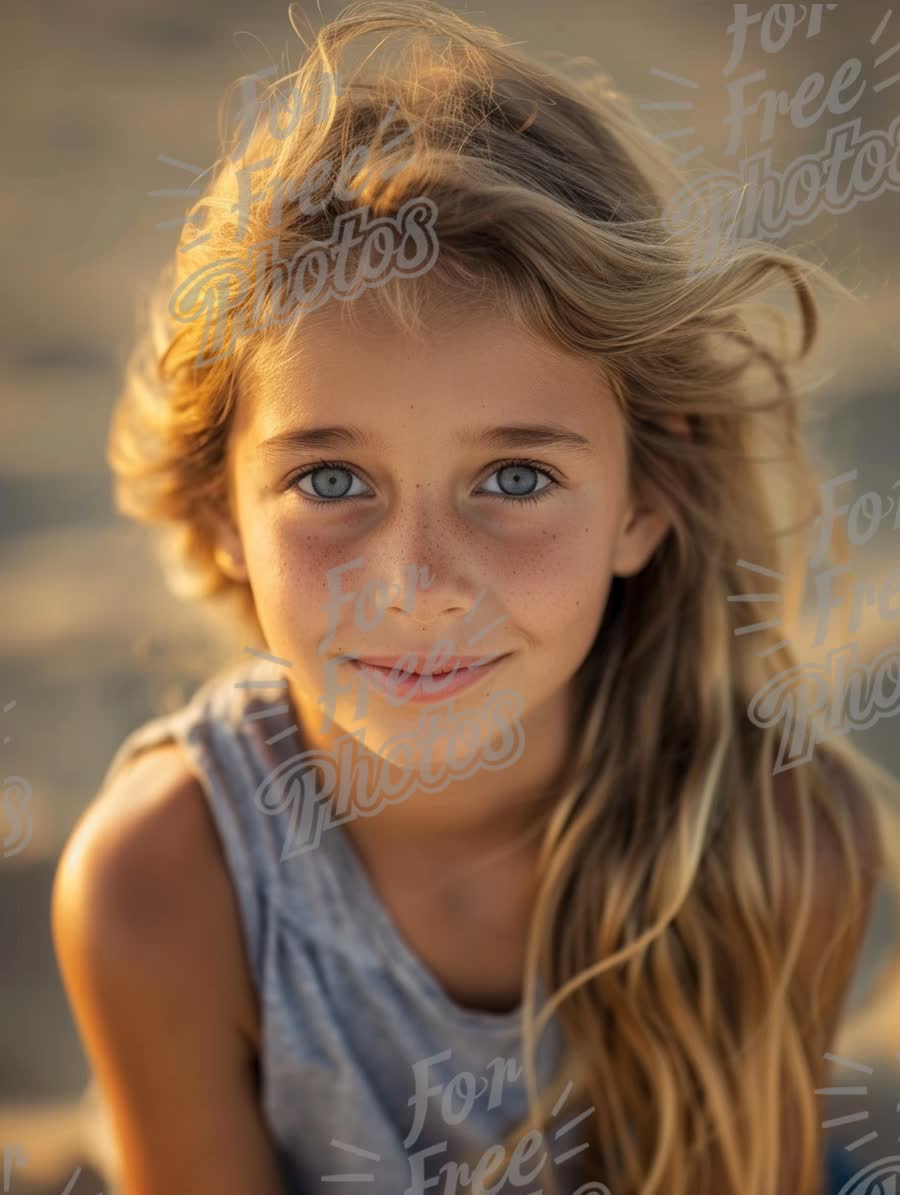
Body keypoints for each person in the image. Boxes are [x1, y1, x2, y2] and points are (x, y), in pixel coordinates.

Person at [50, 2, 900, 1192]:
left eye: (514, 477)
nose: (419, 583)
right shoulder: (161, 884)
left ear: (644, 497)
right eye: (331, 477)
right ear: (219, 514)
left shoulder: (778, 851)